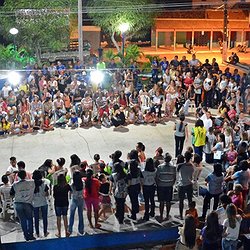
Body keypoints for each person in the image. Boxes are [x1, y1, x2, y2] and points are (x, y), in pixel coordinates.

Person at [10, 170, 36, 241]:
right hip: (28, 203)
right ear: (25, 175)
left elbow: (11, 194)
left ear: (18, 176)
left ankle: (26, 235)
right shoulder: (31, 182)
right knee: (30, 219)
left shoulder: (15, 184)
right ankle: (31, 234)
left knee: (22, 220)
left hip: (18, 204)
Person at [156, 153, 176, 221]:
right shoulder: (173, 167)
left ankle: (161, 215)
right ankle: (167, 215)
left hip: (161, 185)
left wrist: (158, 184)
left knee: (161, 202)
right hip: (169, 186)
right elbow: (174, 177)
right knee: (168, 201)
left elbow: (157, 177)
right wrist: (171, 183)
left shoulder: (159, 167)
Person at [176, 151, 194, 220]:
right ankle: (191, 214)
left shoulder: (181, 165)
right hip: (189, 184)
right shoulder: (191, 166)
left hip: (182, 184)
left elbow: (177, 171)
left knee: (181, 201)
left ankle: (180, 215)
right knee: (190, 200)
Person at [32, 170, 49, 238]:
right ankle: (45, 232)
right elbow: (47, 194)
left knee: (36, 219)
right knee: (45, 218)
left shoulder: (32, 185)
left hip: (35, 203)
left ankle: (37, 233)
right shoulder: (44, 184)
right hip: (43, 202)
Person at [68, 171, 85, 236]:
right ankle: (81, 229)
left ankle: (70, 229)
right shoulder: (83, 183)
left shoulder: (72, 184)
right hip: (81, 200)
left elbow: (70, 192)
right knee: (80, 215)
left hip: (74, 200)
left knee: (72, 215)